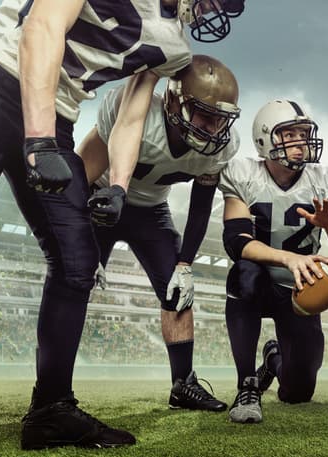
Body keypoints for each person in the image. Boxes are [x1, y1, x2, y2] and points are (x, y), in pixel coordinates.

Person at [0, 0, 245, 449]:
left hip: (57, 114)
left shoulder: (173, 45)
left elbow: (132, 108)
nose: (209, 8)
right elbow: (43, 25)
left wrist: (121, 186)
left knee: (77, 261)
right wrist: (39, 139)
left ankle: (51, 409)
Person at [78, 54, 240, 413]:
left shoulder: (220, 148)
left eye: (221, 120)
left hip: (151, 212)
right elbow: (82, 172)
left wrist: (185, 263)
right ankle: (52, 387)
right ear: (173, 101)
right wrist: (78, 233)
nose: (214, 129)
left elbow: (200, 208)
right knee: (73, 281)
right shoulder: (136, 111)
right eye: (205, 115)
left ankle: (183, 384)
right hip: (102, 201)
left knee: (177, 289)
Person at [218, 99, 328, 423]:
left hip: (300, 290)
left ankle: (273, 361)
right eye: (290, 134)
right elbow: (236, 242)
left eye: (304, 133)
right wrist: (288, 258)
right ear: (265, 138)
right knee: (244, 274)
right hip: (258, 280)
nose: (301, 142)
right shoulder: (242, 174)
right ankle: (247, 384)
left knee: (297, 392)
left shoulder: (325, 180)